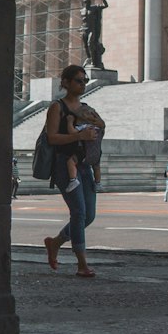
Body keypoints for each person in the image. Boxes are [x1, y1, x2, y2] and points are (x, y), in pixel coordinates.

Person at [42, 64, 105, 277]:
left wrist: (96, 126)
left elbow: (101, 126)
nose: (83, 84)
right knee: (78, 212)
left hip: (85, 163)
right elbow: (52, 137)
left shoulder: (86, 108)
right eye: (79, 80)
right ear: (66, 83)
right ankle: (81, 263)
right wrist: (79, 136)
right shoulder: (57, 108)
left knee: (89, 216)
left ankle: (55, 242)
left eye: (85, 80)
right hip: (64, 164)